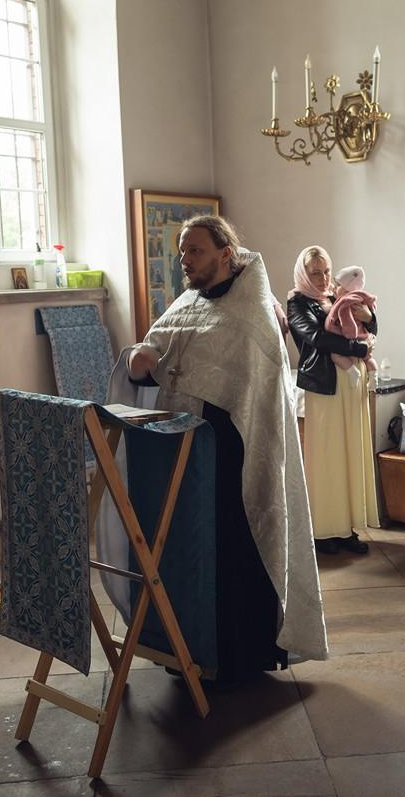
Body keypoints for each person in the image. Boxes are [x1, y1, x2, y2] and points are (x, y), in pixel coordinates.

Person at [122, 215, 327, 682]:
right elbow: (154, 360)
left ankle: (239, 657)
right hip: (184, 454)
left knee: (234, 550)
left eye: (195, 250)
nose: (185, 260)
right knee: (189, 551)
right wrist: (139, 361)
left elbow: (256, 387)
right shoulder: (187, 303)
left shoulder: (252, 312)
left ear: (225, 253)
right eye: (182, 251)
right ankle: (190, 648)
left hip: (236, 454)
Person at [287, 246, 379, 556]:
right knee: (327, 457)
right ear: (304, 274)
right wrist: (359, 349)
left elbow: (366, 326)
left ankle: (348, 527)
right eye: (316, 273)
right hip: (324, 386)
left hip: (352, 386)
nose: (323, 278)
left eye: (327, 271)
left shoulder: (335, 296)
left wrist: (370, 317)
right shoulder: (297, 302)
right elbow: (316, 338)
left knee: (351, 454)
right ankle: (324, 530)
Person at [326, 265, 378, 375]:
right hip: (357, 345)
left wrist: (370, 318)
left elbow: (347, 319)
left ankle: (359, 375)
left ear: (347, 288)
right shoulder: (361, 298)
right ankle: (373, 377)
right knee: (369, 359)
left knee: (337, 356)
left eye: (338, 285)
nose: (334, 287)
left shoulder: (345, 301)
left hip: (352, 340)